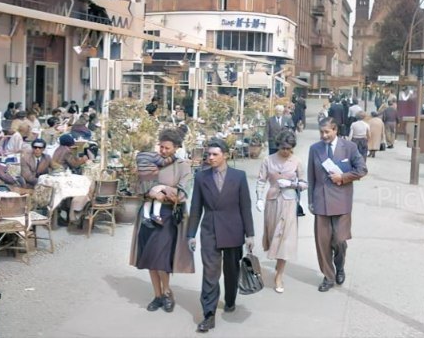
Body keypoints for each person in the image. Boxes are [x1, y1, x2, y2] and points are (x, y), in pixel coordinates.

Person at [187, 139, 254, 332]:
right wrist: (191, 234)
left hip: (234, 229)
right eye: (208, 154)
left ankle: (230, 299)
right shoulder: (201, 177)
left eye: (215, 154)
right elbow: (195, 207)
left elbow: (245, 207)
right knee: (210, 273)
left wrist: (250, 234)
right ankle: (208, 314)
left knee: (231, 271)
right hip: (210, 230)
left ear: (225, 155)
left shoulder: (238, 177)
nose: (210, 158)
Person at [129, 128, 194, 314]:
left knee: (161, 257)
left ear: (176, 147)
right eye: (161, 146)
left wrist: (164, 189)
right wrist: (147, 191)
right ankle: (157, 295)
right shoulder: (151, 160)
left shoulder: (183, 166)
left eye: (167, 148)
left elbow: (182, 194)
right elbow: (137, 185)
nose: (163, 151)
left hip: (167, 216)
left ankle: (167, 292)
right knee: (149, 256)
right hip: (148, 215)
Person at [308, 117, 367, 292]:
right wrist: (311, 200)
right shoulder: (315, 149)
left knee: (340, 240)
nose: (324, 135)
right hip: (321, 202)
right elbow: (311, 177)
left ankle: (340, 266)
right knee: (323, 242)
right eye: (321, 132)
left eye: (327, 132)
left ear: (335, 130)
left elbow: (362, 169)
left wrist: (343, 177)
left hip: (342, 202)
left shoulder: (349, 148)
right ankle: (328, 276)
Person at [256, 130, 307, 293]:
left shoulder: (297, 161)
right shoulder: (268, 160)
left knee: (285, 238)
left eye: (289, 148)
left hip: (289, 202)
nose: (286, 151)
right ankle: (277, 268)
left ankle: (279, 275)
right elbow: (261, 180)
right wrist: (259, 198)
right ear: (278, 145)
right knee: (273, 236)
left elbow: (305, 183)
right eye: (284, 148)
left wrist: (293, 184)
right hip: (272, 202)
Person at [136, 135, 177, 227]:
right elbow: (163, 162)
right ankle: (156, 214)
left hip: (142, 181)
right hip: (151, 179)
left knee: (148, 199)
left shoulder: (138, 155)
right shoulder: (153, 155)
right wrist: (173, 158)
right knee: (158, 195)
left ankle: (146, 217)